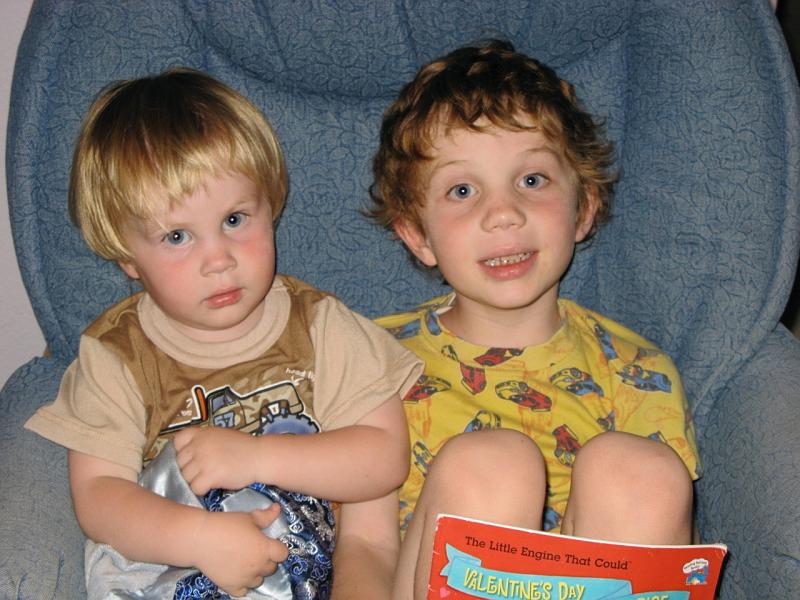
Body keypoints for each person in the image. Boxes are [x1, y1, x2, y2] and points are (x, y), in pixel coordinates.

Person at [24, 67, 422, 600]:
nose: (218, 260)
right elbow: (99, 497)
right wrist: (200, 538)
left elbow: (383, 458)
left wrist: (254, 458)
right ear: (127, 258)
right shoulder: (117, 355)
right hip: (176, 569)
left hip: (317, 570)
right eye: (177, 236)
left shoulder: (321, 326)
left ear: (269, 207)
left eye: (235, 220)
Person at [369, 40, 702, 599]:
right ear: (418, 235)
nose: (503, 214)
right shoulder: (372, 357)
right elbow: (360, 544)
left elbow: (671, 543)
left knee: (643, 472)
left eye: (532, 180)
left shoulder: (638, 372)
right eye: (462, 190)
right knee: (492, 466)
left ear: (584, 208)